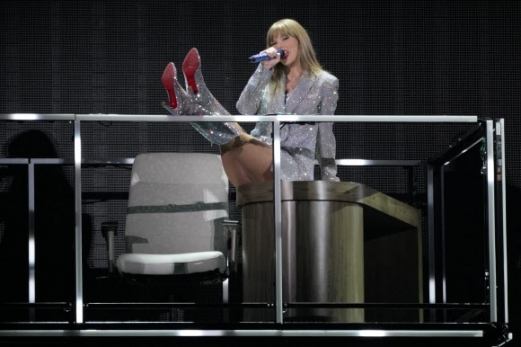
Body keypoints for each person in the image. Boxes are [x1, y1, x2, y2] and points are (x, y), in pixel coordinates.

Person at [161, 18, 340, 188]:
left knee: (232, 135)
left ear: (301, 42)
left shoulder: (324, 83)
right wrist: (264, 69)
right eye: (273, 42)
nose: (279, 46)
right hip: (258, 153)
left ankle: (188, 102)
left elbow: (326, 135)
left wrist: (330, 177)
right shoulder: (268, 78)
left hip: (293, 165)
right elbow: (245, 109)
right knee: (230, 138)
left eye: (285, 38)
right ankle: (192, 97)